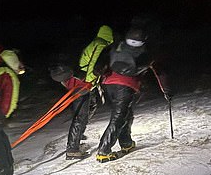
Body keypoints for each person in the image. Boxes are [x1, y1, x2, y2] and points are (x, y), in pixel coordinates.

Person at [92, 27, 162, 162]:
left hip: (108, 84)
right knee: (119, 117)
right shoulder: (145, 52)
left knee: (126, 114)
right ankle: (104, 150)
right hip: (125, 86)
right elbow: (158, 72)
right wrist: (167, 91)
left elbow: (100, 64)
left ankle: (126, 143)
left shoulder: (117, 46)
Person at [49, 65, 94, 159]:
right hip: (79, 90)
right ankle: (72, 150)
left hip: (81, 89)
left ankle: (75, 143)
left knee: (82, 117)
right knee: (79, 119)